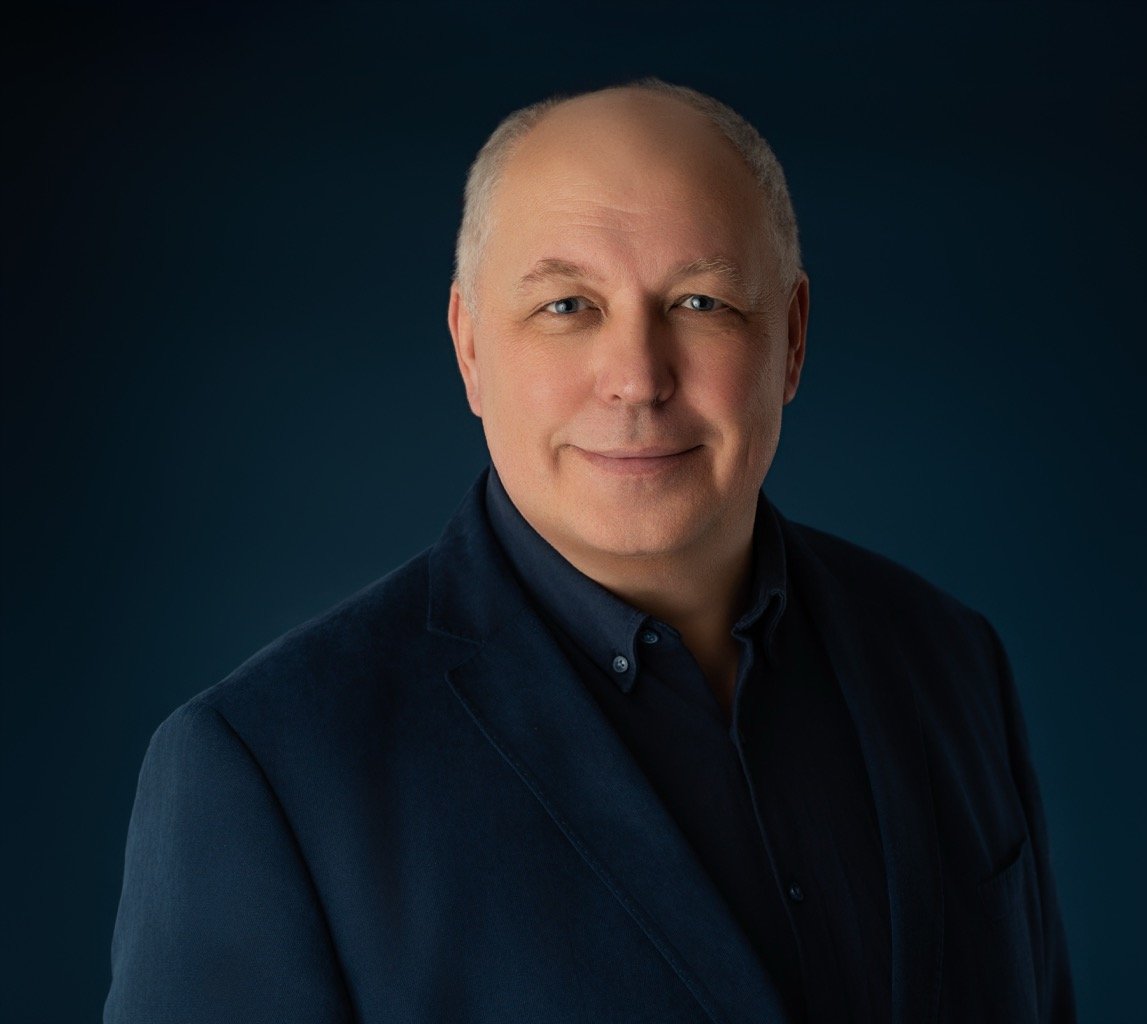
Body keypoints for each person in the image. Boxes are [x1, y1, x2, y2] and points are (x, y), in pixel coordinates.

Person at [105, 79, 1075, 1023]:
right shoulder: (266, 772)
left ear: (789, 339)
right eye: (566, 306)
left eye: (699, 303)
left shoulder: (949, 664)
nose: (636, 379)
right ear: (470, 347)